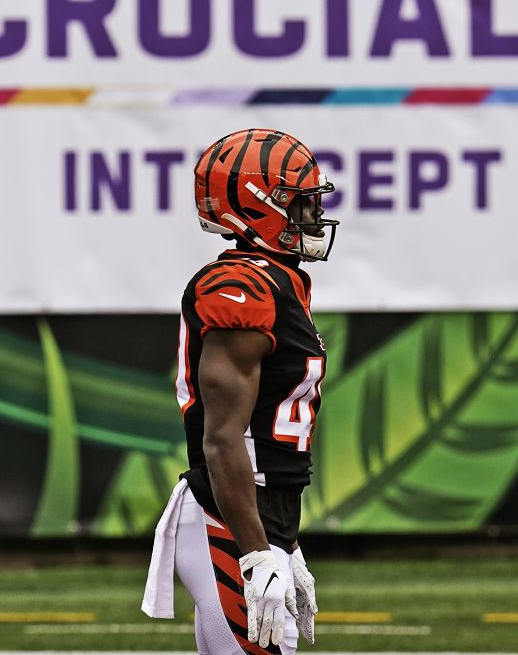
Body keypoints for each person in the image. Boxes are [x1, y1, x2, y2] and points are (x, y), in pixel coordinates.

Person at [142, 128, 337, 655]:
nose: (311, 217)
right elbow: (223, 440)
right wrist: (255, 555)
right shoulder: (242, 289)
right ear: (260, 206)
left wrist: (286, 545)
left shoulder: (279, 282)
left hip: (255, 517)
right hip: (225, 520)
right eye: (299, 204)